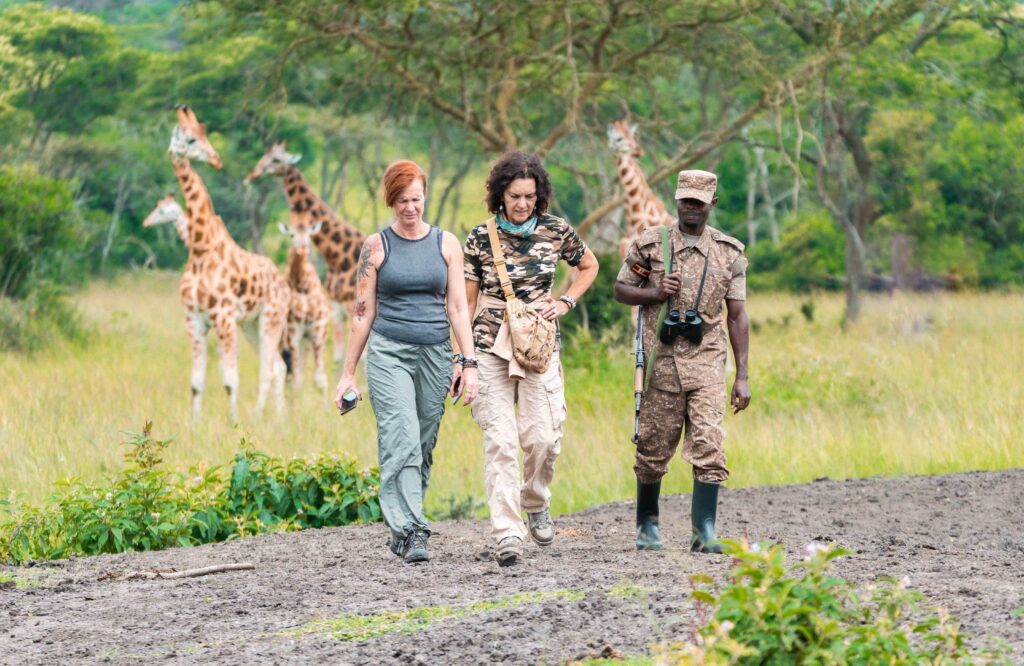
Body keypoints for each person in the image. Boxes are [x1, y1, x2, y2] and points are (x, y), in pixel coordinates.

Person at [334, 159, 479, 564]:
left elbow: (457, 308)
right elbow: (363, 312)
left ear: (425, 197)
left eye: (415, 199)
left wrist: (468, 363)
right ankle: (414, 529)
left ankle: (400, 524)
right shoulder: (376, 246)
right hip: (389, 352)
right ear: (390, 200)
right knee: (400, 436)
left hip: (434, 352)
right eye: (401, 200)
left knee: (423, 442)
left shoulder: (447, 244)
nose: (410, 208)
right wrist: (347, 374)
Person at [462, 150, 599, 566]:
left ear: (539, 195)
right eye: (514, 195)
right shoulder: (479, 237)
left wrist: (565, 302)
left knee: (544, 438)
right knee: (500, 442)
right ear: (499, 194)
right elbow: (464, 303)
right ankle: (507, 532)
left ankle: (535, 500)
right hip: (489, 345)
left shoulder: (557, 230)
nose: (522, 204)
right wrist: (461, 358)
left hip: (539, 345)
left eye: (529, 196)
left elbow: (589, 266)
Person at [612, 169, 751, 554]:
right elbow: (621, 290)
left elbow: (737, 316)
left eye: (699, 203)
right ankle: (647, 525)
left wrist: (742, 376)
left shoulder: (729, 253)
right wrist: (656, 292)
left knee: (709, 443)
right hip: (661, 362)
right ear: (676, 201)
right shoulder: (650, 245)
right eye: (686, 201)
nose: (691, 209)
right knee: (653, 446)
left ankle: (703, 530)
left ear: (712, 205)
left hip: (706, 362)